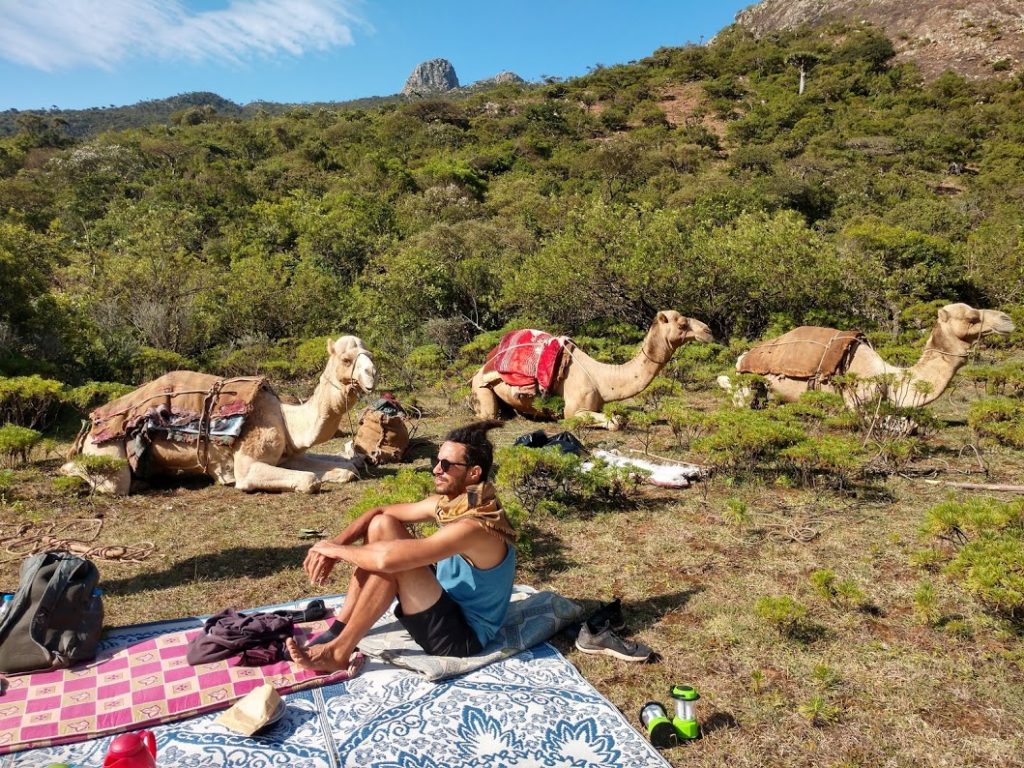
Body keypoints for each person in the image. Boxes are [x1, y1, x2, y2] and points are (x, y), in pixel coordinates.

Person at [286, 419, 516, 672]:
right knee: (382, 524)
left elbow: (387, 560)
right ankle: (340, 627)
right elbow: (380, 510)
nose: (436, 470)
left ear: (474, 473)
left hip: (462, 637)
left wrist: (334, 551)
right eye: (436, 461)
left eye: (447, 465)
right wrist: (337, 542)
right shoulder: (458, 502)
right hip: (445, 601)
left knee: (395, 563)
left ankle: (338, 652)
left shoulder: (476, 526)